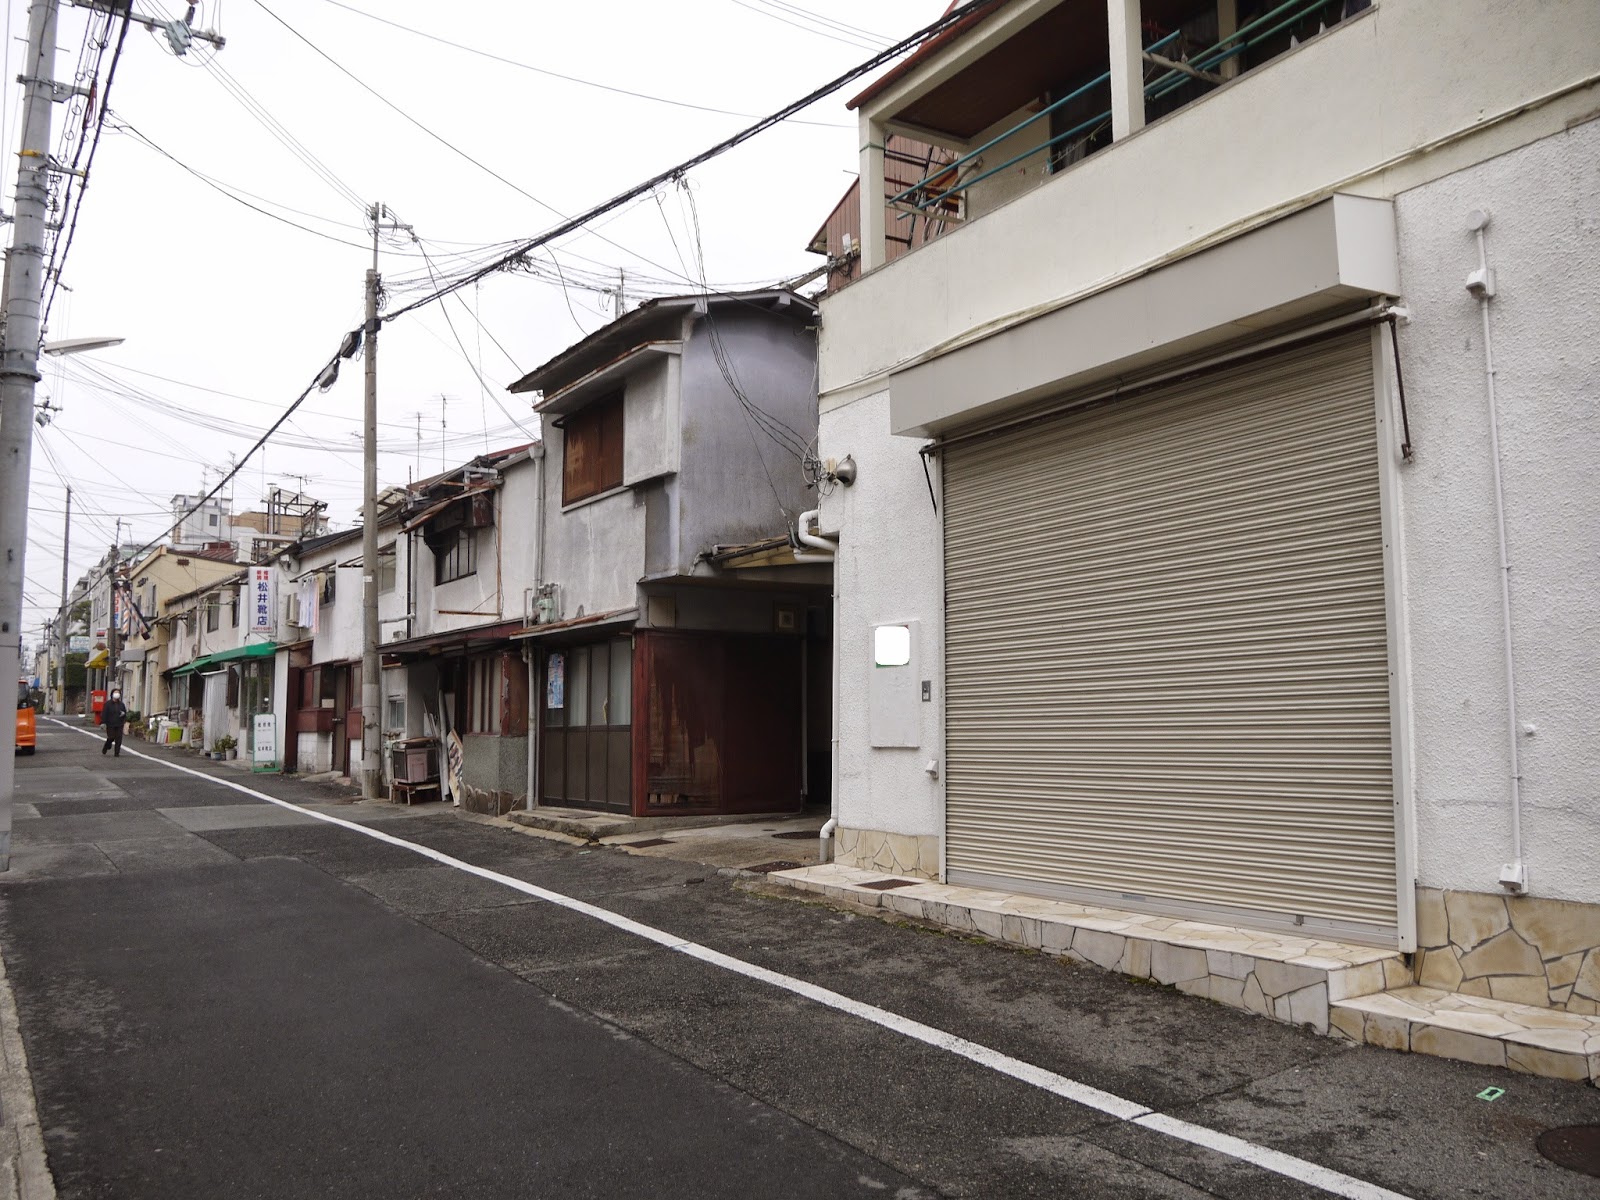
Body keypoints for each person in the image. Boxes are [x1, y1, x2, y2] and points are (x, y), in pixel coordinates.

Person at [101, 688, 128, 757]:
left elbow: (125, 713)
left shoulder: (121, 704)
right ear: (112, 694)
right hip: (110, 724)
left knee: (118, 738)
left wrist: (124, 716)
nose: (117, 694)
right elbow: (104, 713)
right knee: (111, 737)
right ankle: (106, 746)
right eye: (115, 692)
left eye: (118, 693)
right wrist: (103, 722)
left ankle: (117, 753)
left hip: (119, 723)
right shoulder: (107, 704)